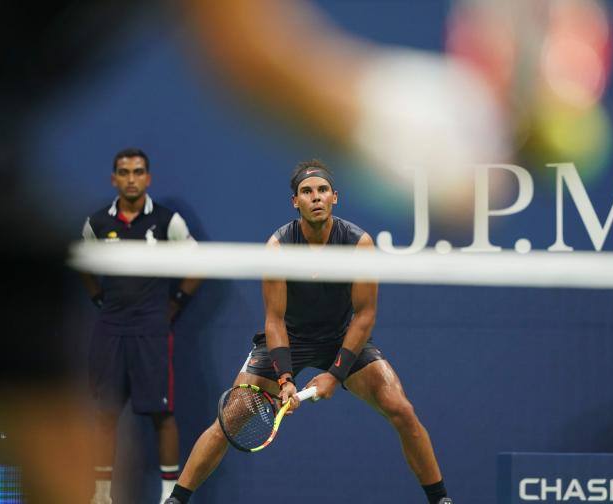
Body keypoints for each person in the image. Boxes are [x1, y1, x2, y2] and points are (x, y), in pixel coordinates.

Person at [164, 159, 452, 504]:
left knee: (400, 408)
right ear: (295, 202)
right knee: (230, 420)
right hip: (290, 337)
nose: (315, 197)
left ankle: (440, 500)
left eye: (322, 190)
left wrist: (334, 374)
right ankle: (176, 500)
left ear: (334, 198)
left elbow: (365, 315)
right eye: (307, 192)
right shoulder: (279, 247)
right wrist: (285, 379)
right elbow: (274, 320)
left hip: (342, 337)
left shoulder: (358, 243)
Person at [81, 148, 202, 504]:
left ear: (148, 178)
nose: (131, 178)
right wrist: (99, 300)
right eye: (124, 172)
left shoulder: (167, 221)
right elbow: (80, 262)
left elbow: (199, 263)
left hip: (151, 328)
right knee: (104, 415)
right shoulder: (98, 223)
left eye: (137, 172)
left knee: (162, 414)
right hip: (111, 329)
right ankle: (101, 495)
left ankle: (169, 496)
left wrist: (175, 302)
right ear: (114, 179)